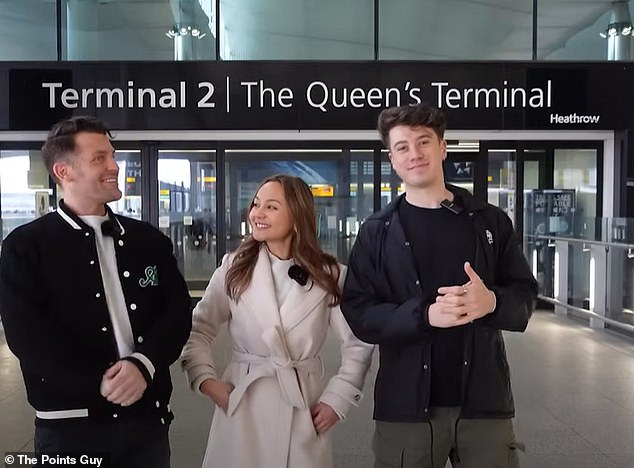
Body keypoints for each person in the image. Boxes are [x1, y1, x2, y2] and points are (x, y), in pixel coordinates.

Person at [341, 104, 538, 468]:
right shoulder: (376, 232)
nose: (414, 153)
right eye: (402, 147)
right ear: (392, 159)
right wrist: (425, 314)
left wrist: (491, 302)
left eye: (423, 142)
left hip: (483, 402)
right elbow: (358, 312)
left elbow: (525, 296)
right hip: (406, 407)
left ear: (443, 147)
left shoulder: (489, 222)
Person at [0, 116, 192, 467]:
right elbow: (27, 336)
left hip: (147, 423)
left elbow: (177, 313)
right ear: (64, 172)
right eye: (99, 158)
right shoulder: (25, 247)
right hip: (68, 431)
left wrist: (143, 364)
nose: (114, 166)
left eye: (113, 155)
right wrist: (99, 383)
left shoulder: (148, 240)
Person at [180, 174, 373, 468]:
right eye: (256, 204)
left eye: (271, 207)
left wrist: (339, 398)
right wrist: (206, 380)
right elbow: (199, 328)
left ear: (297, 215)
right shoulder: (233, 268)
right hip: (242, 403)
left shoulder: (329, 274)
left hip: (301, 405)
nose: (258, 213)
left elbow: (358, 341)